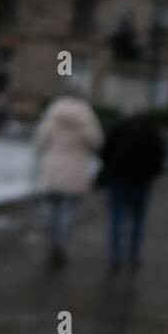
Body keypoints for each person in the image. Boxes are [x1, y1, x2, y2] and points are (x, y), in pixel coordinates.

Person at [35, 91, 103, 269]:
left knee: (52, 210)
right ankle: (61, 245)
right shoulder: (87, 115)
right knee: (68, 211)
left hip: (54, 169)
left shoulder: (53, 112)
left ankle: (51, 243)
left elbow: (41, 140)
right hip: (75, 171)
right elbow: (96, 142)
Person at [99, 110, 166, 271]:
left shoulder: (119, 129)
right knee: (138, 221)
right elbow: (160, 160)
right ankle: (134, 254)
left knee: (117, 219)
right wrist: (150, 176)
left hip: (119, 181)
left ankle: (115, 255)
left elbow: (105, 151)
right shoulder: (153, 134)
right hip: (142, 184)